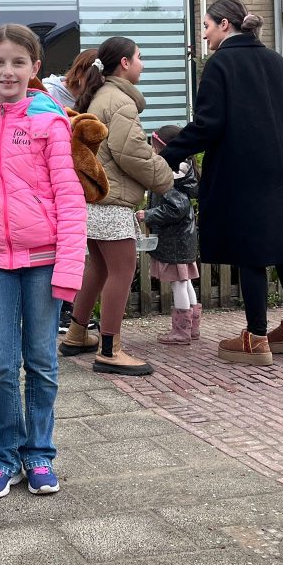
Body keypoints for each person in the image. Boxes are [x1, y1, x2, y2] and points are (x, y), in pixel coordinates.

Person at [158, 0, 283, 364]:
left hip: (245, 170)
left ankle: (255, 337)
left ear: (225, 24)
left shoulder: (221, 64)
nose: (204, 35)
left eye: (206, 26)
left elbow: (207, 125)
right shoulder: (279, 62)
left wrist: (168, 155)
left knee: (251, 249)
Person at [0, 25, 87, 498]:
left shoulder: (50, 121)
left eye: (18, 62)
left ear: (35, 68)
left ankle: (39, 453)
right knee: (1, 365)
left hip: (44, 260)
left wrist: (69, 270)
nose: (8, 71)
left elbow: (70, 197)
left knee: (41, 361)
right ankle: (2, 457)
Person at [59, 36, 174, 375]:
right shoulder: (119, 101)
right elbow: (132, 153)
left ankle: (77, 334)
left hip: (95, 200)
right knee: (123, 270)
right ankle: (110, 349)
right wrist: (167, 177)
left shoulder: (100, 96)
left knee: (98, 267)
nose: (142, 64)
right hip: (112, 202)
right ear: (124, 63)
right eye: (139, 57)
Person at [43, 49, 101, 336]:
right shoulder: (49, 93)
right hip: (48, 180)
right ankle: (59, 312)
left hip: (72, 181)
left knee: (73, 249)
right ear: (79, 72)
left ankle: (68, 310)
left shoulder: (89, 101)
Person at [137, 125, 201, 345]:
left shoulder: (171, 175)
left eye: (154, 147)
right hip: (183, 238)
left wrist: (148, 215)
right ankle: (192, 328)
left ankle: (181, 332)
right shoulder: (184, 173)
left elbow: (176, 208)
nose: (152, 151)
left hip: (175, 240)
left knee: (178, 283)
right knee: (186, 282)